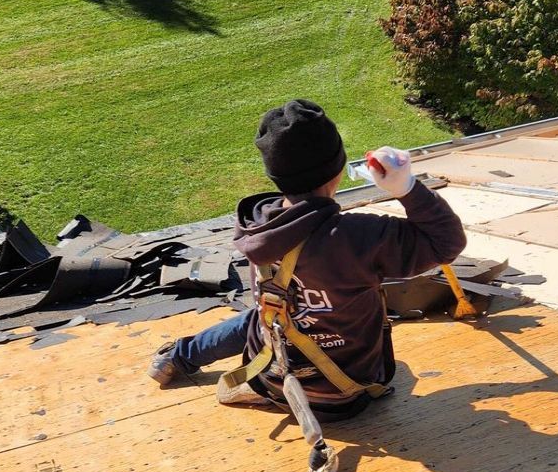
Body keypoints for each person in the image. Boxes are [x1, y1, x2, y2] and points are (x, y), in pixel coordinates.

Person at [149, 98, 466, 419]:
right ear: (340, 169)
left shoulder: (257, 226)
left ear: (275, 176)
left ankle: (179, 356)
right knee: (387, 350)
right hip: (346, 395)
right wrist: (406, 187)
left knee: (264, 314)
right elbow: (446, 242)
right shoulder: (362, 237)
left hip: (271, 382)